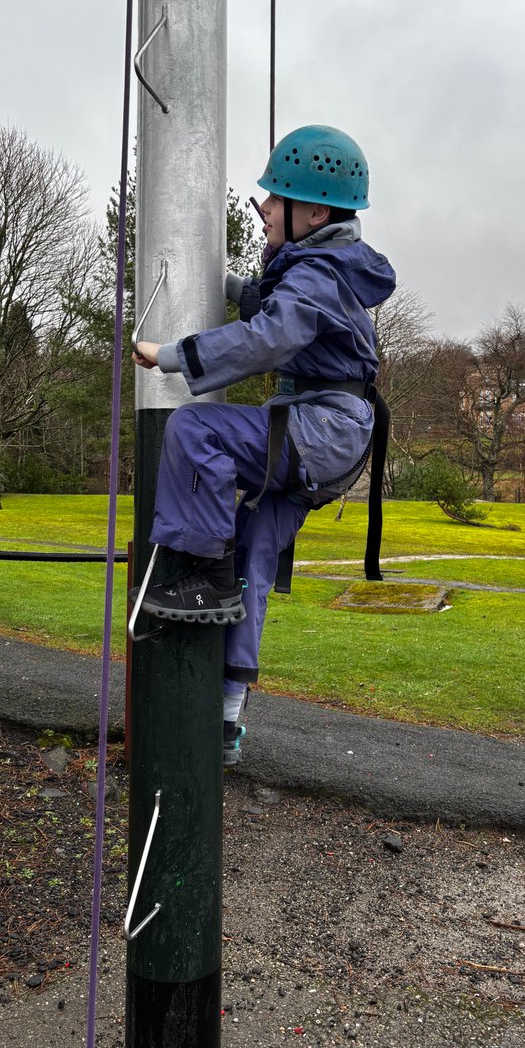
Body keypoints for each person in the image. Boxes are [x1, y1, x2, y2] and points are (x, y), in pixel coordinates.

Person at [132, 124, 396, 766]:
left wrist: (174, 355)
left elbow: (269, 335)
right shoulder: (325, 269)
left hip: (322, 430)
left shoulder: (315, 276)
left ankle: (205, 576)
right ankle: (227, 714)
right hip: (335, 441)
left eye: (275, 198)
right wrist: (213, 278)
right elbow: (267, 301)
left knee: (194, 429)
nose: (265, 210)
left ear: (314, 213)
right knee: (255, 547)